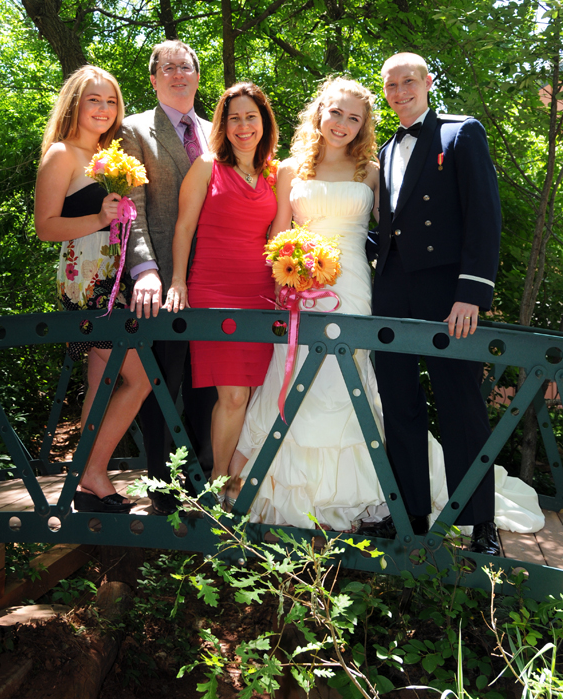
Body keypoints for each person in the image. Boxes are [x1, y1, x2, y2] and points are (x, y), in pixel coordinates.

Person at [230, 76, 544, 541]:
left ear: (364, 126)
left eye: (354, 118)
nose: (342, 124)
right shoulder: (289, 170)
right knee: (312, 382)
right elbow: (277, 234)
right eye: (335, 112)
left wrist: (464, 287)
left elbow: (405, 229)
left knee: (357, 385)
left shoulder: (373, 170)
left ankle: (445, 512)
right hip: (302, 290)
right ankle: (361, 502)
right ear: (319, 111)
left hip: (356, 286)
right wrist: (289, 267)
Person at [368, 52, 503, 555]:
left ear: (427, 82)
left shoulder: (459, 132)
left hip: (448, 295)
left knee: (460, 402)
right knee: (398, 402)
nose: (400, 92)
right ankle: (412, 514)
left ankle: (480, 524)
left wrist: (471, 292)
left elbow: (484, 215)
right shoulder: (384, 150)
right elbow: (393, 231)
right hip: (393, 292)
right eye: (391, 86)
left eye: (408, 82)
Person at [35, 65, 152, 513]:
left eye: (111, 101)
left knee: (103, 380)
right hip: (87, 280)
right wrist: (102, 218)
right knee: (139, 380)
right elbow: (45, 227)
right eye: (94, 100)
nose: (104, 109)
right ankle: (92, 470)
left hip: (113, 276)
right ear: (75, 105)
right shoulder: (62, 154)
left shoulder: (110, 156)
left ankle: (88, 477)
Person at [165, 81, 279, 501]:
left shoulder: (274, 172)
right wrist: (178, 281)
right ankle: (215, 487)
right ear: (223, 125)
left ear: (264, 122)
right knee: (232, 394)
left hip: (262, 295)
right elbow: (184, 227)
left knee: (251, 396)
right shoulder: (206, 166)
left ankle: (236, 478)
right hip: (214, 290)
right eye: (234, 118)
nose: (243, 125)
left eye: (251, 116)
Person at [118, 41, 216, 514]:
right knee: (165, 379)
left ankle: (202, 480)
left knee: (208, 381)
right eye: (168, 68)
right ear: (154, 79)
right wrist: (145, 270)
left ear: (198, 76)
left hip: (215, 278)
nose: (179, 74)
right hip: (161, 281)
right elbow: (130, 208)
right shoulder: (134, 129)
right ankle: (162, 488)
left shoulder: (217, 132)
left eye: (187, 67)